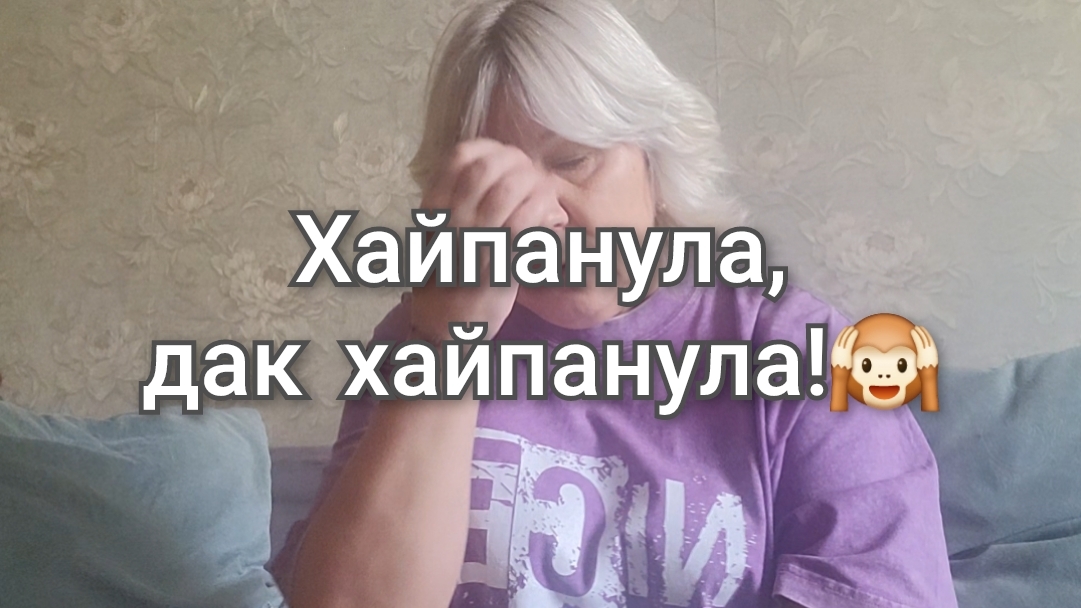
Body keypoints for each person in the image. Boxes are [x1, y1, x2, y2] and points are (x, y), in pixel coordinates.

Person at [269, 0, 958, 606]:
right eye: (497, 184)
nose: (538, 216)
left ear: (655, 163)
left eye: (571, 161)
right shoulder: (422, 335)